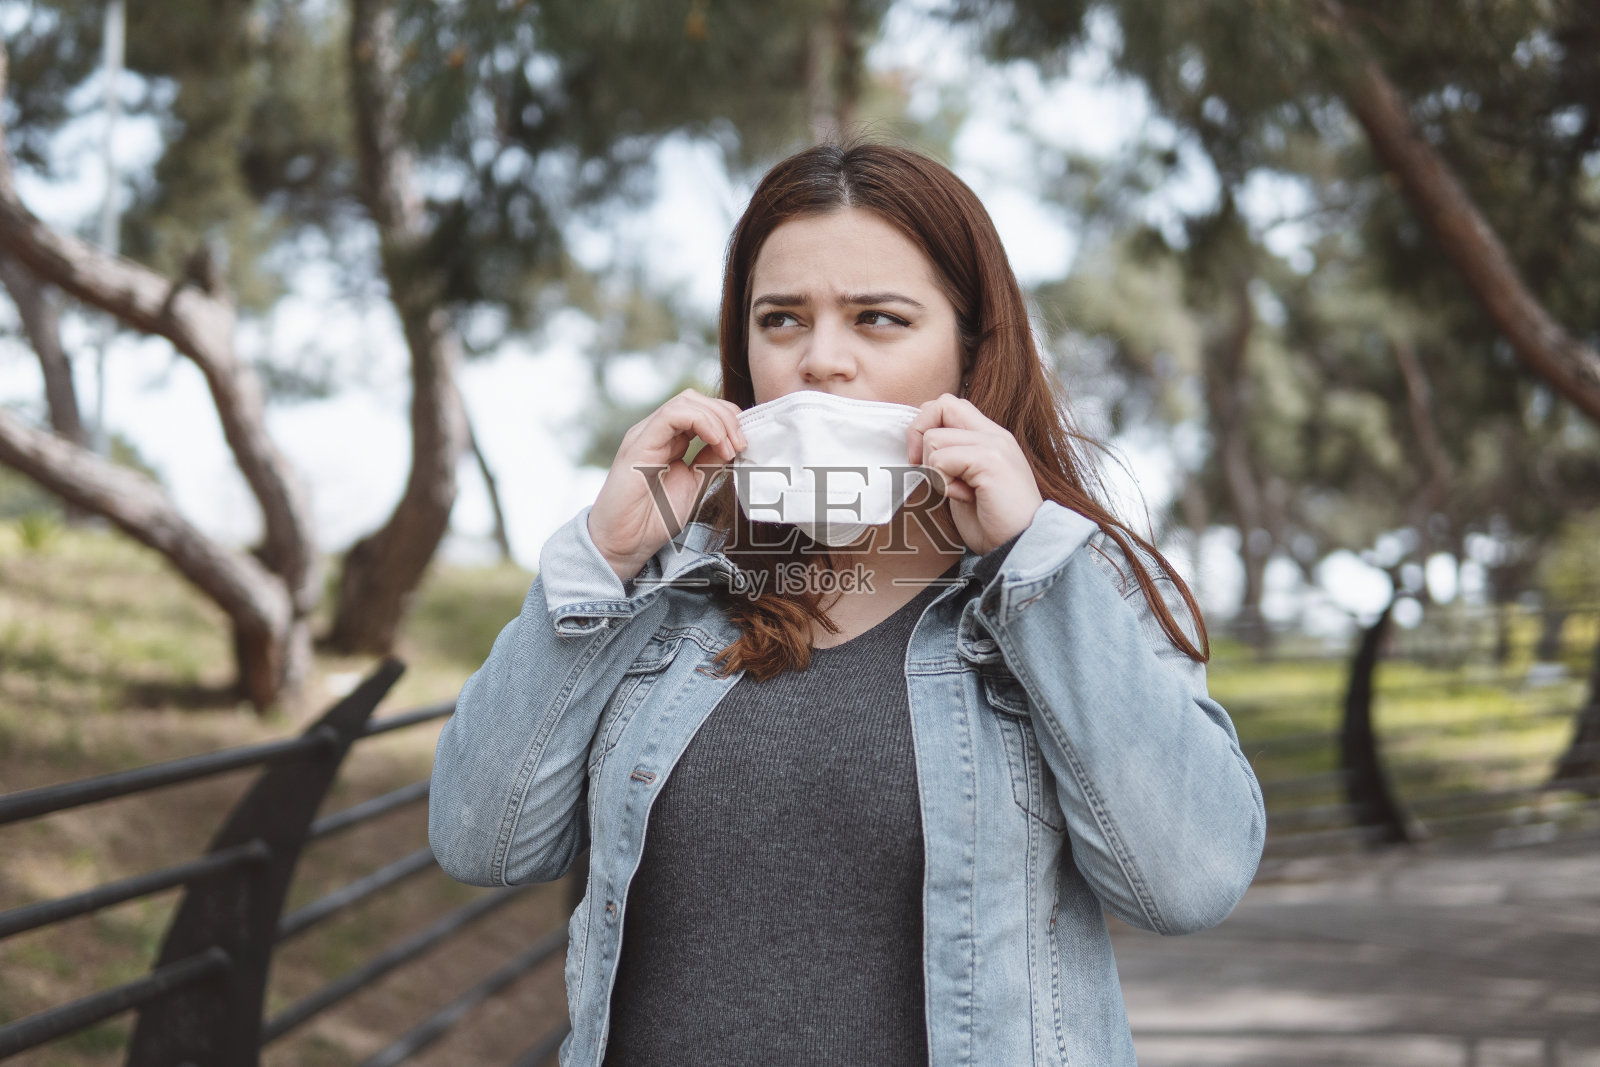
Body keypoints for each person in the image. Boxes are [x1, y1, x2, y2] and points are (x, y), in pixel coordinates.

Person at [428, 140, 1266, 1067]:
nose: (821, 360)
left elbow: (1190, 882)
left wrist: (1032, 565)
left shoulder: (1073, 580)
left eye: (878, 319)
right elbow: (480, 841)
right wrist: (602, 557)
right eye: (781, 319)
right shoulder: (665, 581)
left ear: (971, 349)